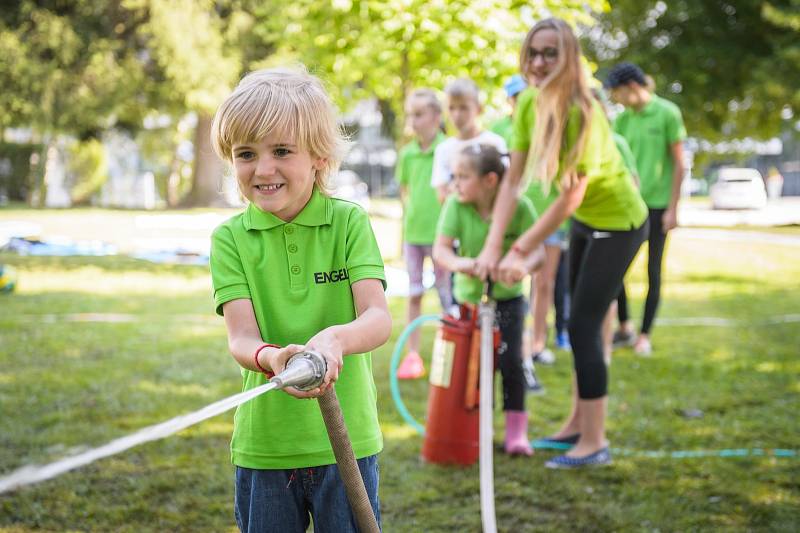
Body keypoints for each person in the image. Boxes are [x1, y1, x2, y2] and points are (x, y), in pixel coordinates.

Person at [209, 66, 392, 532]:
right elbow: (241, 339)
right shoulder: (230, 239)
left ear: (319, 157)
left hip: (347, 444)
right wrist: (272, 357)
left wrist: (334, 340)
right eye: (246, 153)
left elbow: (377, 318)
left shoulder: (348, 223)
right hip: (265, 446)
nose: (263, 168)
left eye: (282, 151)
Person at [474, 18, 648, 468]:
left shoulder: (582, 109)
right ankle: (576, 424)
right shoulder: (530, 103)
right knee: (579, 321)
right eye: (532, 52)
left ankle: (595, 442)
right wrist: (495, 245)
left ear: (568, 57)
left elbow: (572, 192)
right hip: (589, 223)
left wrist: (519, 249)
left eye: (550, 52)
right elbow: (513, 177)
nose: (538, 62)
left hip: (620, 223)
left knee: (585, 326)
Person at [433, 144, 543, 456]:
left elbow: (538, 253)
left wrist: (521, 266)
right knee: (474, 370)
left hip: (508, 303)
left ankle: (516, 435)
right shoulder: (456, 205)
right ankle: (476, 431)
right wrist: (462, 264)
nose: (455, 184)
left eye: (463, 176)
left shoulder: (519, 208)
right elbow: (440, 251)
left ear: (490, 181)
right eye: (454, 176)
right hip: (470, 304)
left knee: (512, 364)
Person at [605, 62, 686, 356]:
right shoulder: (623, 120)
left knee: (653, 269)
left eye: (616, 93)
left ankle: (644, 335)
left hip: (658, 206)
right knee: (616, 269)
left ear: (631, 87)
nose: (615, 99)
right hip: (629, 207)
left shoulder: (667, 113)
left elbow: (679, 163)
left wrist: (673, 208)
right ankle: (624, 326)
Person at [395, 89, 452, 379]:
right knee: (414, 293)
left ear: (436, 116)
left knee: (446, 296)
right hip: (414, 236)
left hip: (443, 237)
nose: (413, 121)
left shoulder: (450, 149)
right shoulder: (407, 154)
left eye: (419, 115)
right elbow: (406, 193)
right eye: (410, 115)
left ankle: (448, 355)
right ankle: (413, 356)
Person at [431, 78, 508, 204]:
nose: (457, 115)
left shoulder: (495, 143)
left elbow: (505, 186)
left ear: (479, 109)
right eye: (451, 108)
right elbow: (442, 196)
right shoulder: (443, 149)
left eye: (463, 108)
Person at [490, 74, 527, 143]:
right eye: (516, 96)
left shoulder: (539, 123)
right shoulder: (497, 127)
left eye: (524, 94)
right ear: (508, 99)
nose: (521, 99)